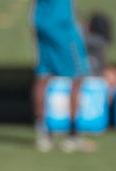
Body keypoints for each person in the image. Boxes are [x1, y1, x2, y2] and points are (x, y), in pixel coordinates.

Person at [33, 0, 94, 152]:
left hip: (41, 21)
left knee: (43, 75)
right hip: (61, 24)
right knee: (78, 76)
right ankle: (72, 136)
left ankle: (43, 133)